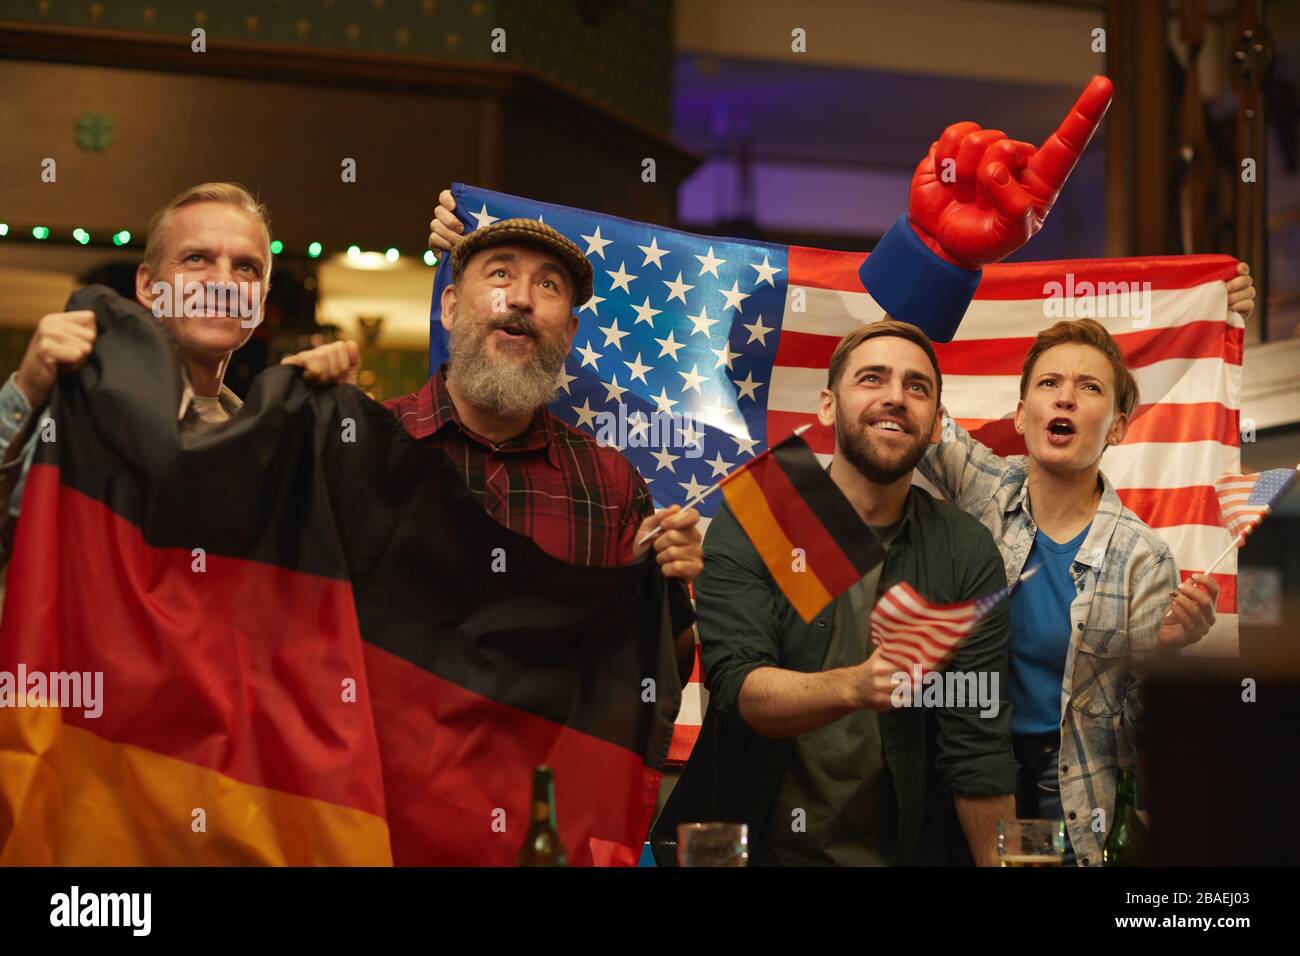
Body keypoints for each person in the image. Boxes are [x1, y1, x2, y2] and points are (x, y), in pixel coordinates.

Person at [917, 317, 1235, 866]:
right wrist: (923, 268)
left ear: (1117, 427)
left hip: (1063, 792)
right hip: (956, 772)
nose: (1065, 397)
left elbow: (1141, 738)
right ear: (1021, 415)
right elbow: (913, 403)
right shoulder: (985, 485)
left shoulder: (1144, 558)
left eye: (1090, 388)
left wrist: (1165, 654)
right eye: (1048, 384)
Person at [380, 218, 703, 677]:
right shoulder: (367, 449)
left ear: (569, 333)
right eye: (499, 274)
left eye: (548, 284)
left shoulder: (612, 489)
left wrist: (664, 586)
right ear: (449, 307)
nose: (520, 298)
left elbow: (653, 679)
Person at [0, 182, 354, 565]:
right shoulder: (81, 412)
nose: (223, 284)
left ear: (261, 304)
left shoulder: (273, 442)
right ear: (149, 287)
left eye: (246, 267)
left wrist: (342, 435)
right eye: (196, 259)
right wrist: (26, 391)